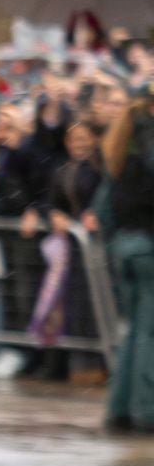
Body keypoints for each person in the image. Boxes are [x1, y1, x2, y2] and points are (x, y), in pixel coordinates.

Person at [102, 88, 154, 433]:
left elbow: (105, 206)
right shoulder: (147, 143)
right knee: (147, 333)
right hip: (147, 245)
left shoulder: (119, 147)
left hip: (124, 244)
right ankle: (145, 410)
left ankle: (120, 408)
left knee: (134, 330)